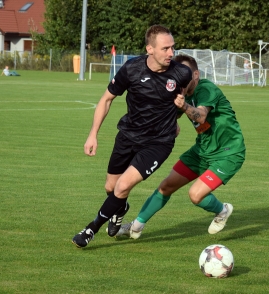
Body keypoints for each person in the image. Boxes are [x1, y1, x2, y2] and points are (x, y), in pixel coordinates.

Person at [71, 25, 192, 248]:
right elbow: (106, 99)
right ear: (150, 49)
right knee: (111, 188)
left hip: (158, 143)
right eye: (165, 48)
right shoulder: (131, 69)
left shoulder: (181, 73)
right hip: (128, 135)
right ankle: (121, 208)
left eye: (172, 48)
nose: (171, 53)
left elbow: (181, 100)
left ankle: (90, 229)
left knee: (122, 187)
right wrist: (92, 135)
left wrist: (177, 115)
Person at [114, 55, 246, 239]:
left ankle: (223, 211)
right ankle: (136, 226)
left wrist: (183, 106)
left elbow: (200, 116)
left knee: (195, 195)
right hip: (202, 150)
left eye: (185, 75)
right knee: (166, 186)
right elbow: (169, 117)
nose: (181, 79)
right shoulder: (180, 93)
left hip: (228, 153)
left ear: (196, 74)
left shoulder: (206, 89)